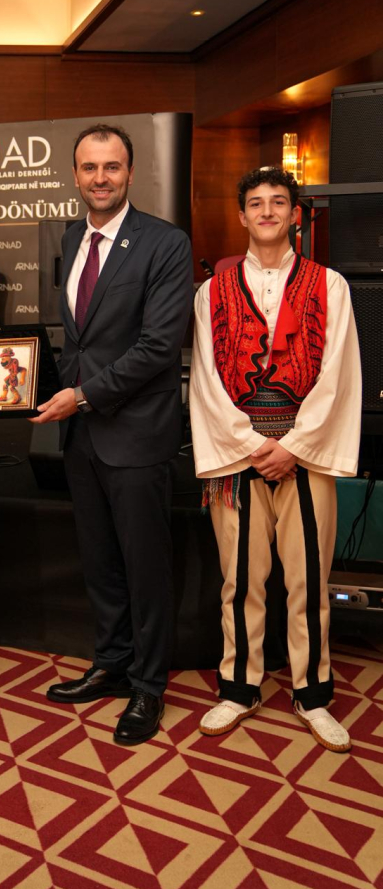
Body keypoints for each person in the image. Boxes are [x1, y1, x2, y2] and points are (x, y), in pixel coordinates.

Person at [189, 167, 362, 752]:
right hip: (238, 458)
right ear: (241, 216)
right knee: (240, 581)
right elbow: (206, 380)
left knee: (308, 579)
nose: (267, 211)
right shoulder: (211, 292)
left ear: (294, 215)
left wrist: (293, 446)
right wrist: (248, 444)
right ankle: (240, 687)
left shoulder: (330, 286)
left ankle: (313, 695)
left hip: (304, 456)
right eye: (256, 203)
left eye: (278, 202)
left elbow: (339, 375)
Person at [31, 123, 193, 745]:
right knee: (100, 561)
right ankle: (113, 662)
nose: (100, 178)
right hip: (82, 437)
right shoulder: (73, 238)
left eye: (112, 167)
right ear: (75, 174)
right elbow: (80, 341)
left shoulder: (165, 243)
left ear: (130, 172)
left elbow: (158, 347)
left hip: (135, 433)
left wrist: (81, 396)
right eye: (90, 167)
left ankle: (149, 685)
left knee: (145, 566)